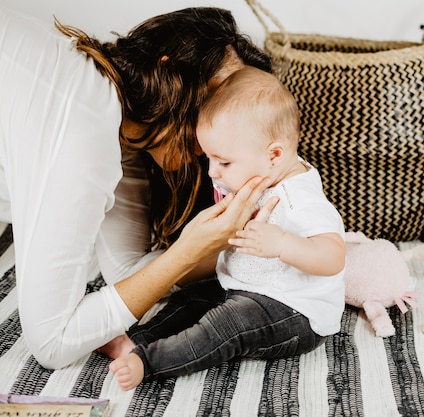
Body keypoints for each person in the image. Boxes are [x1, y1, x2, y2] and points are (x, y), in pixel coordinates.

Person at [0, 6, 278, 369]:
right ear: (166, 70)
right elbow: (53, 343)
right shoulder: (86, 124)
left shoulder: (121, 128)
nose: (224, 131)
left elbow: (128, 273)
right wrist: (188, 250)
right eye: (217, 104)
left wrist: (237, 243)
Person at [107, 66, 346, 391]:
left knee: (228, 324)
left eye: (224, 162)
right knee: (191, 299)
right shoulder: (257, 174)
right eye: (209, 159)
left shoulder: (299, 199)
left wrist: (282, 245)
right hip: (241, 286)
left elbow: (333, 257)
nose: (211, 172)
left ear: (274, 154)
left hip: (294, 311)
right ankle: (137, 340)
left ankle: (150, 362)